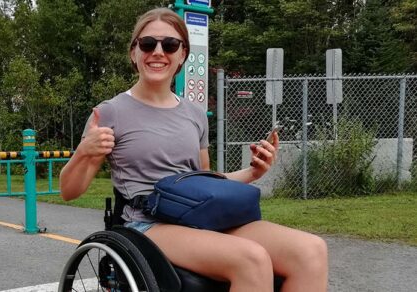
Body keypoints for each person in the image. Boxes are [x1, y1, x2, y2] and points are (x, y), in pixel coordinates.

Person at [59, 8, 328, 292]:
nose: (158, 52)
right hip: (146, 223)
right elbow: (69, 190)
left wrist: (252, 171)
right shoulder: (111, 112)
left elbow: (201, 181)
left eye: (170, 44)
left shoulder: (195, 114)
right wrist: (85, 152)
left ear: (182, 55)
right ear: (133, 53)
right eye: (148, 44)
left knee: (311, 251)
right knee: (252, 259)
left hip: (195, 217)